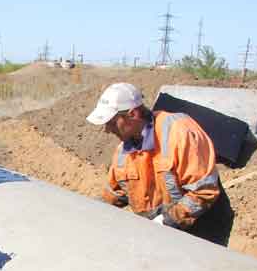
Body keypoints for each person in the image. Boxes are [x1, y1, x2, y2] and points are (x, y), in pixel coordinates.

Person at [86, 82, 232, 244]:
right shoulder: (123, 151)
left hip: (202, 228)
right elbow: (116, 193)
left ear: (133, 114)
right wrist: (88, 209)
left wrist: (167, 220)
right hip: (160, 230)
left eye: (112, 123)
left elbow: (203, 191)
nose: (107, 129)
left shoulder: (179, 132)